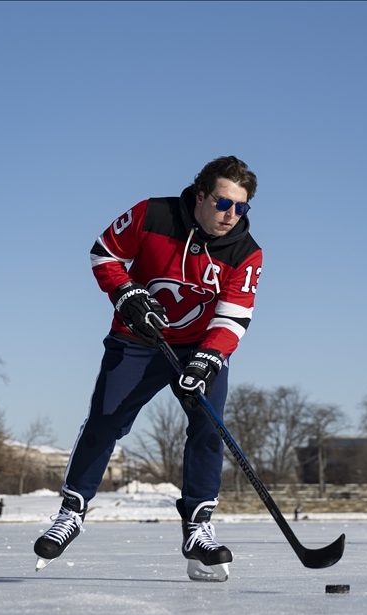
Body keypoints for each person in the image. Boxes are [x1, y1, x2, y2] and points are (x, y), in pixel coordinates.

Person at [34, 157, 263, 582]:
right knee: (106, 421)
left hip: (198, 346)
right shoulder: (151, 214)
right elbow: (104, 253)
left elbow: (234, 315)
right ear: (200, 196)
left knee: (208, 426)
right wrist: (125, 293)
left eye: (241, 207)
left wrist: (209, 356)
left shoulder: (246, 253)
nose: (231, 215)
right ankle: (71, 512)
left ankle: (197, 528)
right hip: (137, 340)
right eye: (223, 203)